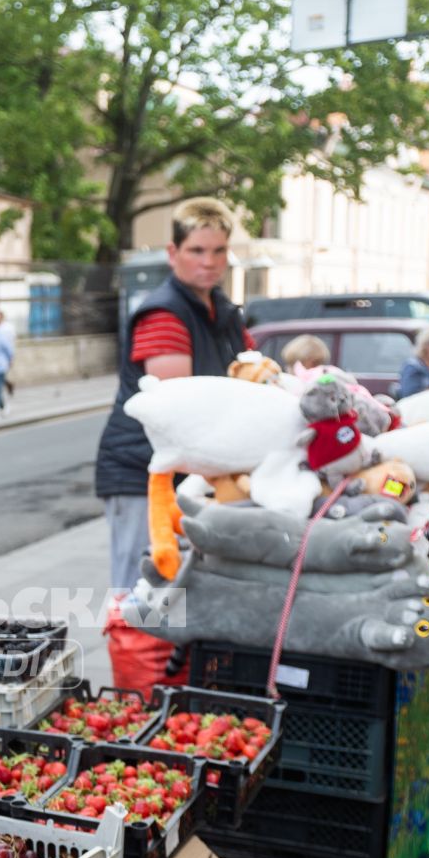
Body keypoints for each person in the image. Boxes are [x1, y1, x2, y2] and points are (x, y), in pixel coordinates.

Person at [93, 195, 252, 595]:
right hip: (143, 476)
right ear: (172, 252)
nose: (208, 261)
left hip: (185, 474)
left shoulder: (224, 312)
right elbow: (177, 410)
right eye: (196, 250)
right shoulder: (164, 314)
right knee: (141, 596)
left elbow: (254, 377)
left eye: (218, 251)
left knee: (178, 600)